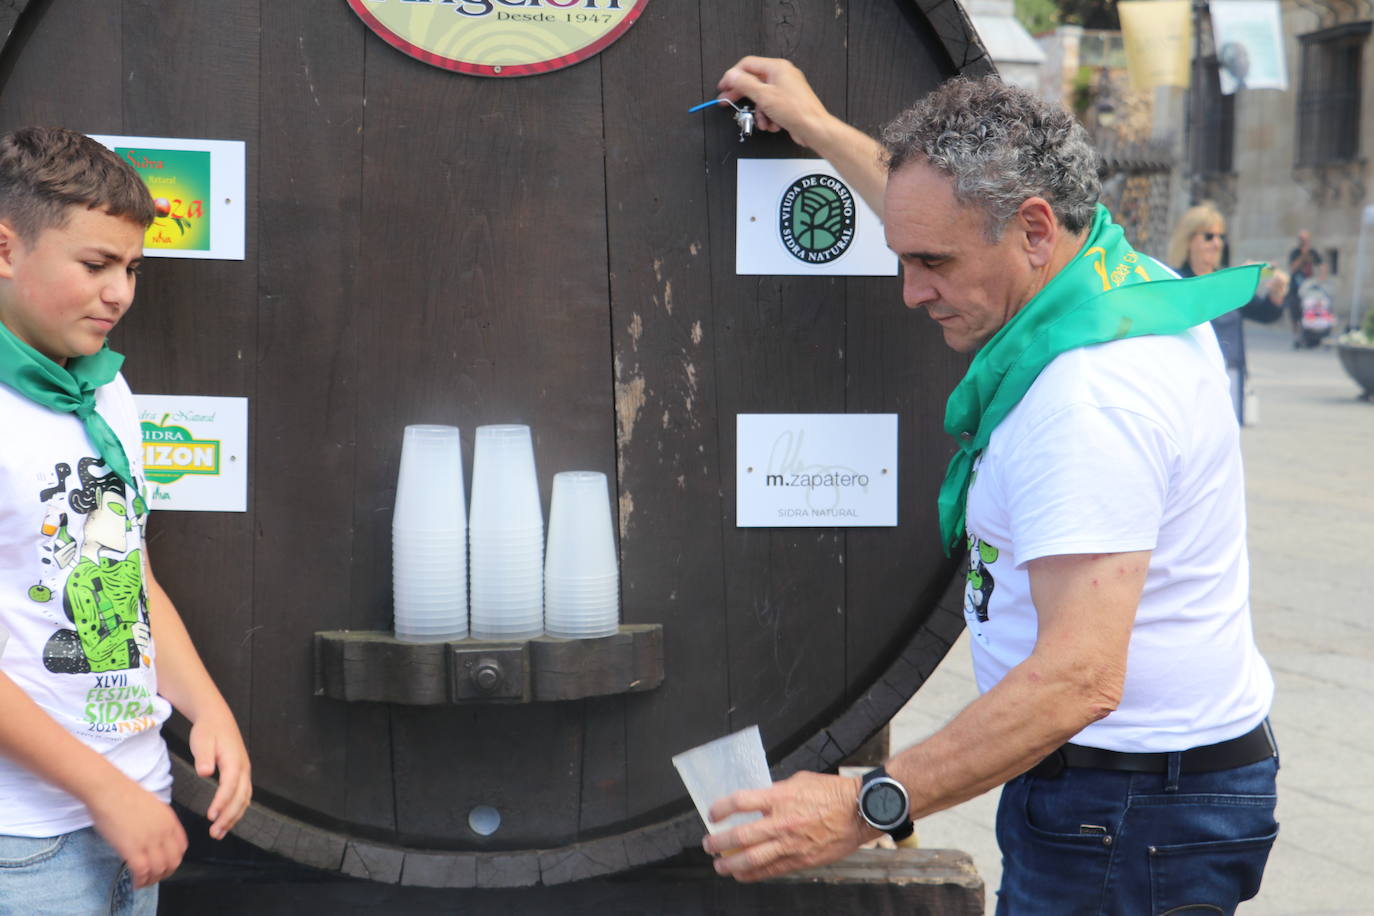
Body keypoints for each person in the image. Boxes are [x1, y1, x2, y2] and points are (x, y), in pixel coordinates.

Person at [700, 58, 1279, 912]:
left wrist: (865, 806)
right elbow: (950, 214)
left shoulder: (1088, 401)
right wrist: (819, 130)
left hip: (1128, 813)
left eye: (930, 262)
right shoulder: (1116, 281)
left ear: (1036, 230)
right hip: (1142, 792)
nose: (909, 291)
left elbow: (1080, 677)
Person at [0, 127, 252, 914]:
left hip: (132, 809)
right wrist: (102, 791)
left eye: (133, 269)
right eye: (96, 265)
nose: (122, 294)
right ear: (5, 249)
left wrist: (206, 705)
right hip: (25, 839)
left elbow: (124, 578)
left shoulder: (106, 389)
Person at [1166, 202, 1287, 425]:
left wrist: (1276, 294)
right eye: (1209, 236)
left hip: (1230, 376)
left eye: (1221, 237)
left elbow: (1265, 314)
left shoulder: (1229, 281)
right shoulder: (1176, 281)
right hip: (1189, 379)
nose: (1217, 243)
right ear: (1189, 239)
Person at [1285, 229, 1325, 347]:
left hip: (1308, 288)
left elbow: (1322, 265)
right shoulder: (1295, 252)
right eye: (1302, 239)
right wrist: (1303, 255)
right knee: (1294, 313)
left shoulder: (1313, 252)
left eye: (1306, 239)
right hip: (1295, 288)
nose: (1304, 242)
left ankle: (1308, 336)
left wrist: (1321, 279)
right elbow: (1292, 268)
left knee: (1308, 312)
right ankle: (1296, 336)